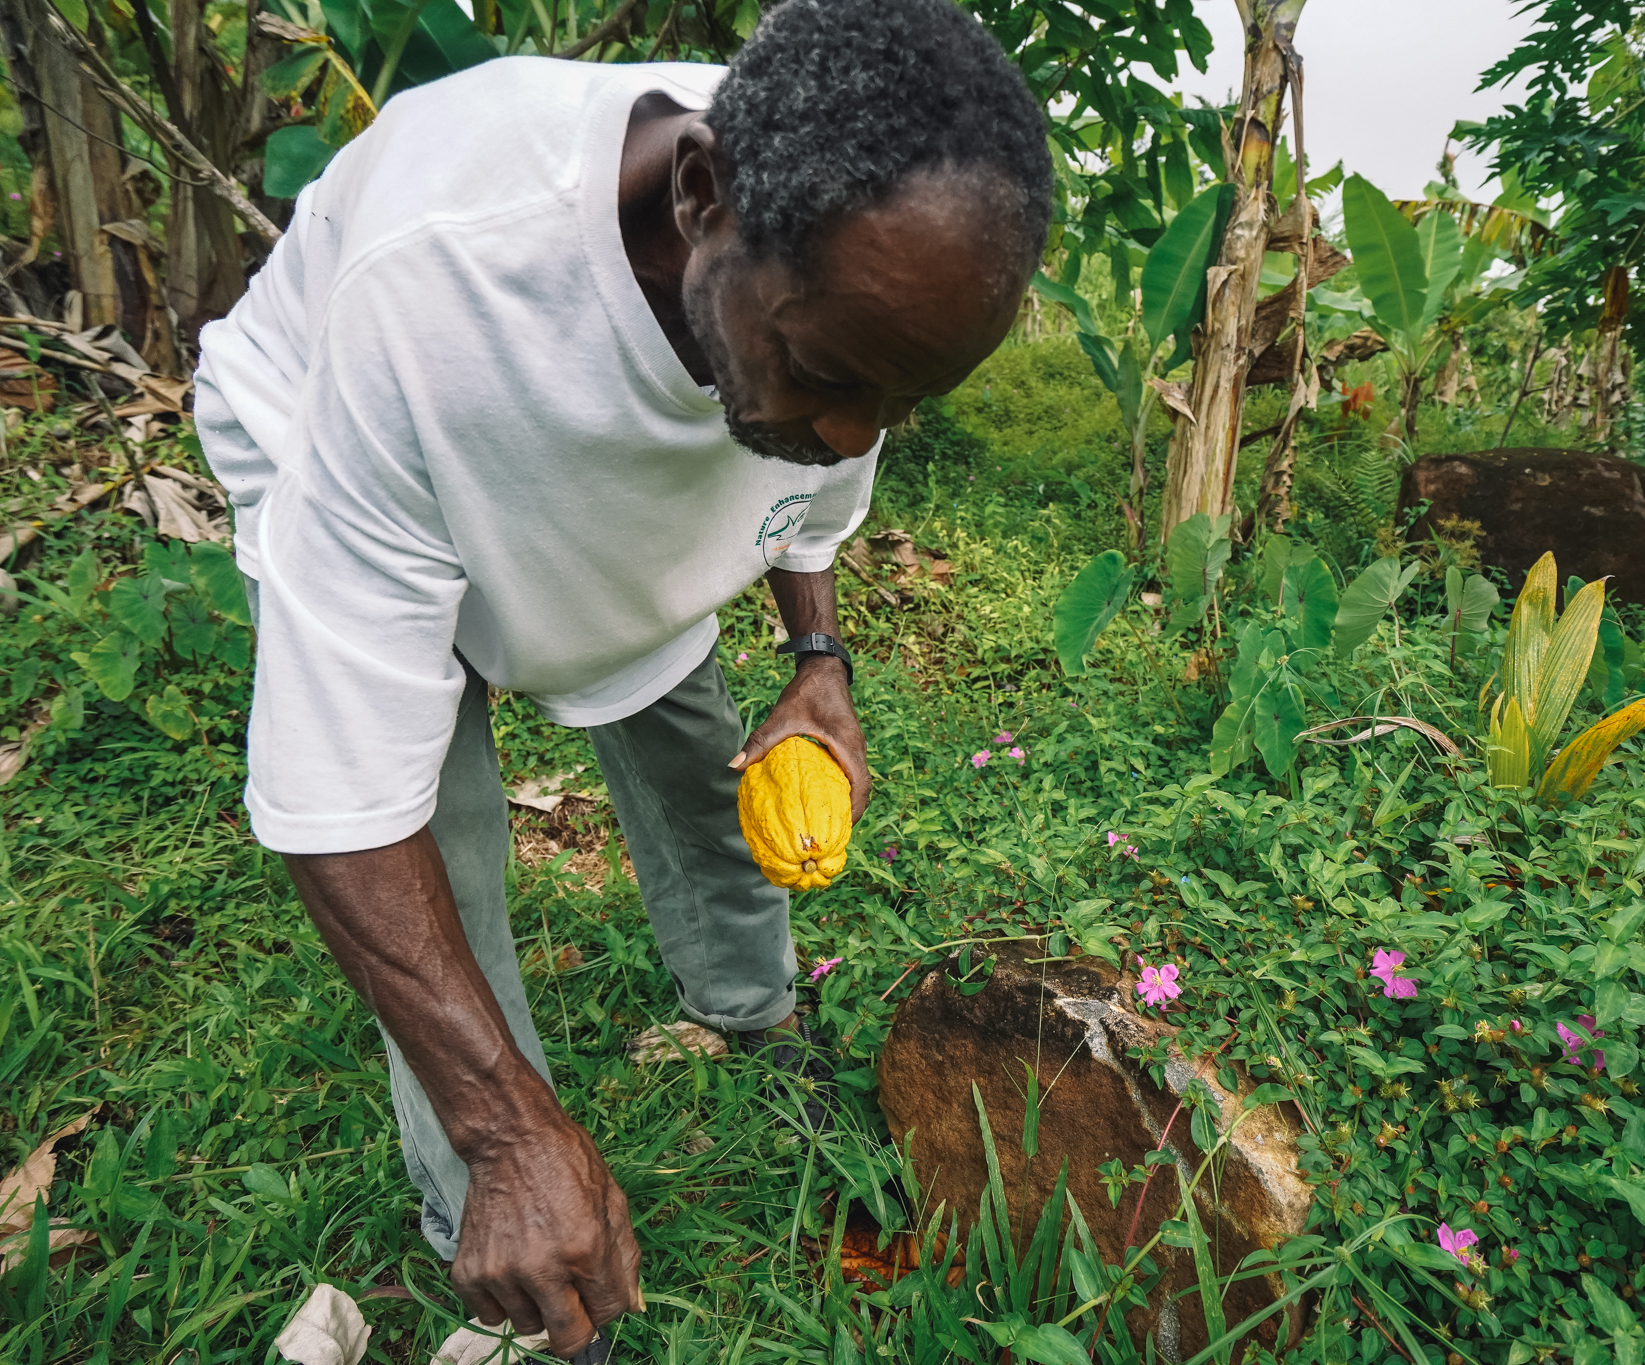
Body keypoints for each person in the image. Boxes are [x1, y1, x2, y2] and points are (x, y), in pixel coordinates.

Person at [192, 1, 1052, 1357]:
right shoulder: (443, 293)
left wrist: (817, 656)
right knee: (446, 854)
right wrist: (509, 1125)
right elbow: (348, 794)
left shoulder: (840, 227)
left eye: (897, 402)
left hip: (569, 472)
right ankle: (502, 1217)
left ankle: (751, 1010)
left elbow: (811, 477)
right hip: (342, 435)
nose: (846, 436)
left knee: (692, 735)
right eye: (828, 374)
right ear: (700, 195)